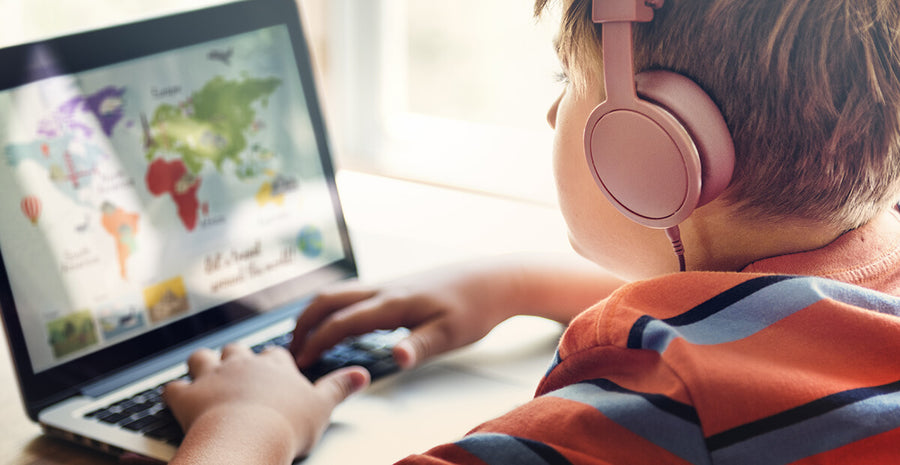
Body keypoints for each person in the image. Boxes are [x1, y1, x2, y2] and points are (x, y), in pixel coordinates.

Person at [162, 0, 900, 463]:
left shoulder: (658, 411)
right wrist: (512, 283)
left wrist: (250, 422)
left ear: (651, 148)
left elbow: (703, 364)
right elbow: (767, 318)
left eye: (565, 85)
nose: (552, 116)